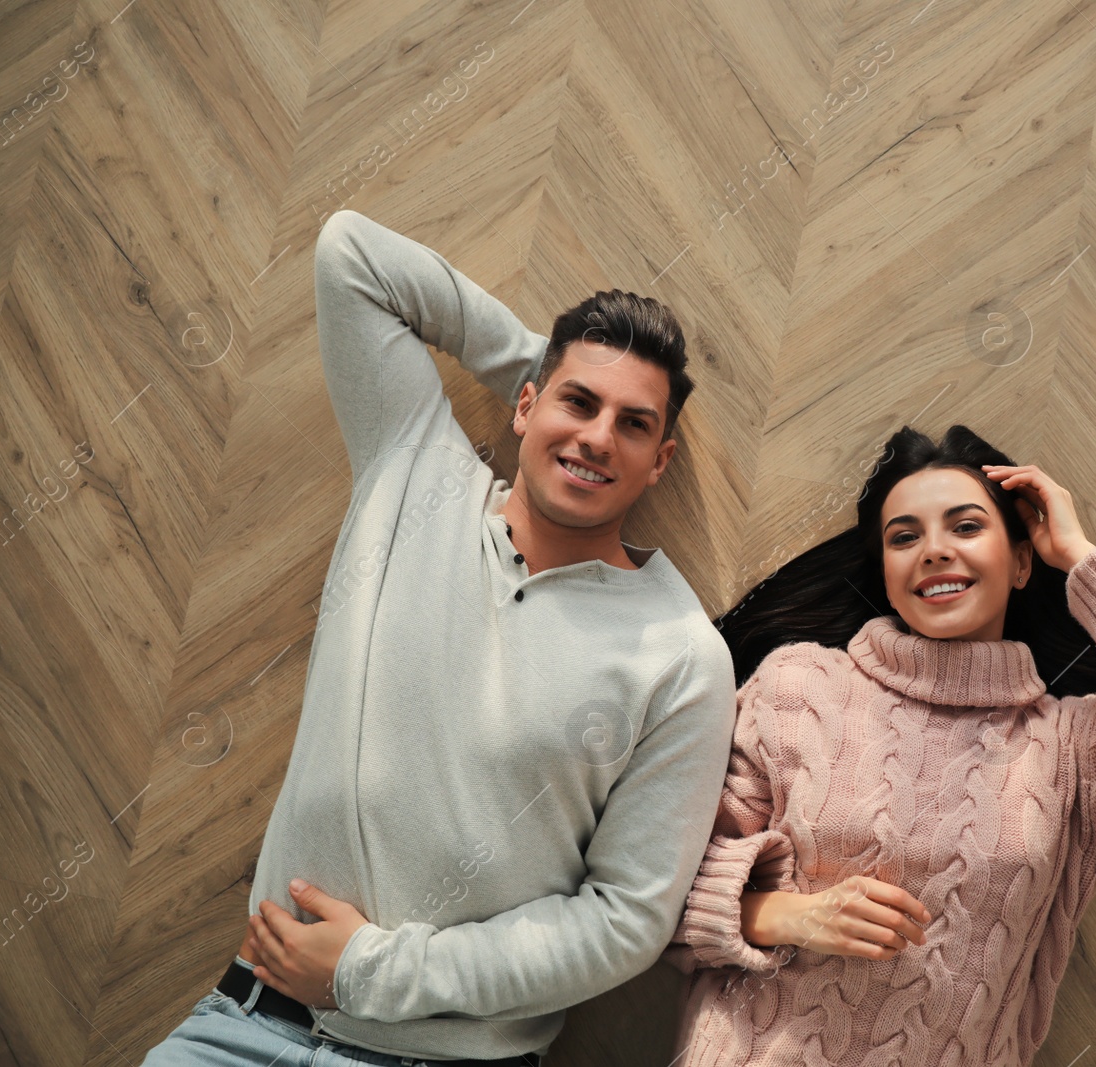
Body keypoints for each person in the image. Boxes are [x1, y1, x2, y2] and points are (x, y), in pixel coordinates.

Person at [139, 209, 737, 1066]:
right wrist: (545, 362)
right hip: (241, 1028)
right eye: (579, 401)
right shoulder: (413, 466)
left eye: (633, 424)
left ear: (660, 461)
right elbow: (352, 253)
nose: (600, 435)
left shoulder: (680, 657)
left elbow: (623, 921)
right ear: (524, 401)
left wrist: (372, 971)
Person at [661, 424, 1096, 1066]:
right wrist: (792, 917)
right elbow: (663, 898)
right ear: (885, 570)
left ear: (1021, 563)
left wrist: (1082, 557)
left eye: (965, 527)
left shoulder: (1076, 752)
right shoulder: (798, 686)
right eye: (905, 537)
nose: (933, 551)